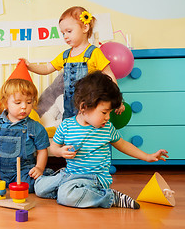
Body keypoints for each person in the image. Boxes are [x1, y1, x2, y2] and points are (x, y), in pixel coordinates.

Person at [34, 71, 168, 209]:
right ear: (83, 107)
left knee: (65, 196)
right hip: (70, 174)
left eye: (109, 113)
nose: (108, 117)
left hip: (94, 178)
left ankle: (109, 197)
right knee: (39, 187)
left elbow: (123, 144)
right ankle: (73, 190)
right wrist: (61, 152)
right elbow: (54, 147)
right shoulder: (66, 125)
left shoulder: (107, 128)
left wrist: (147, 156)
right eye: (104, 112)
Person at [21, 6, 124, 120]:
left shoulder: (94, 53)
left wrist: (118, 100)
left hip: (90, 106)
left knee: (88, 130)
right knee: (69, 130)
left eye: (69, 31)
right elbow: (46, 68)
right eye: (63, 33)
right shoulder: (65, 56)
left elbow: (109, 75)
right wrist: (29, 66)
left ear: (85, 27)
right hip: (69, 106)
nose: (65, 36)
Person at [0, 78, 50, 193]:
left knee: (33, 186)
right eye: (18, 103)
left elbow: (42, 150)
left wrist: (39, 168)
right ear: (5, 103)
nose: (24, 106)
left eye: (29, 102)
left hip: (23, 170)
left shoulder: (35, 127)